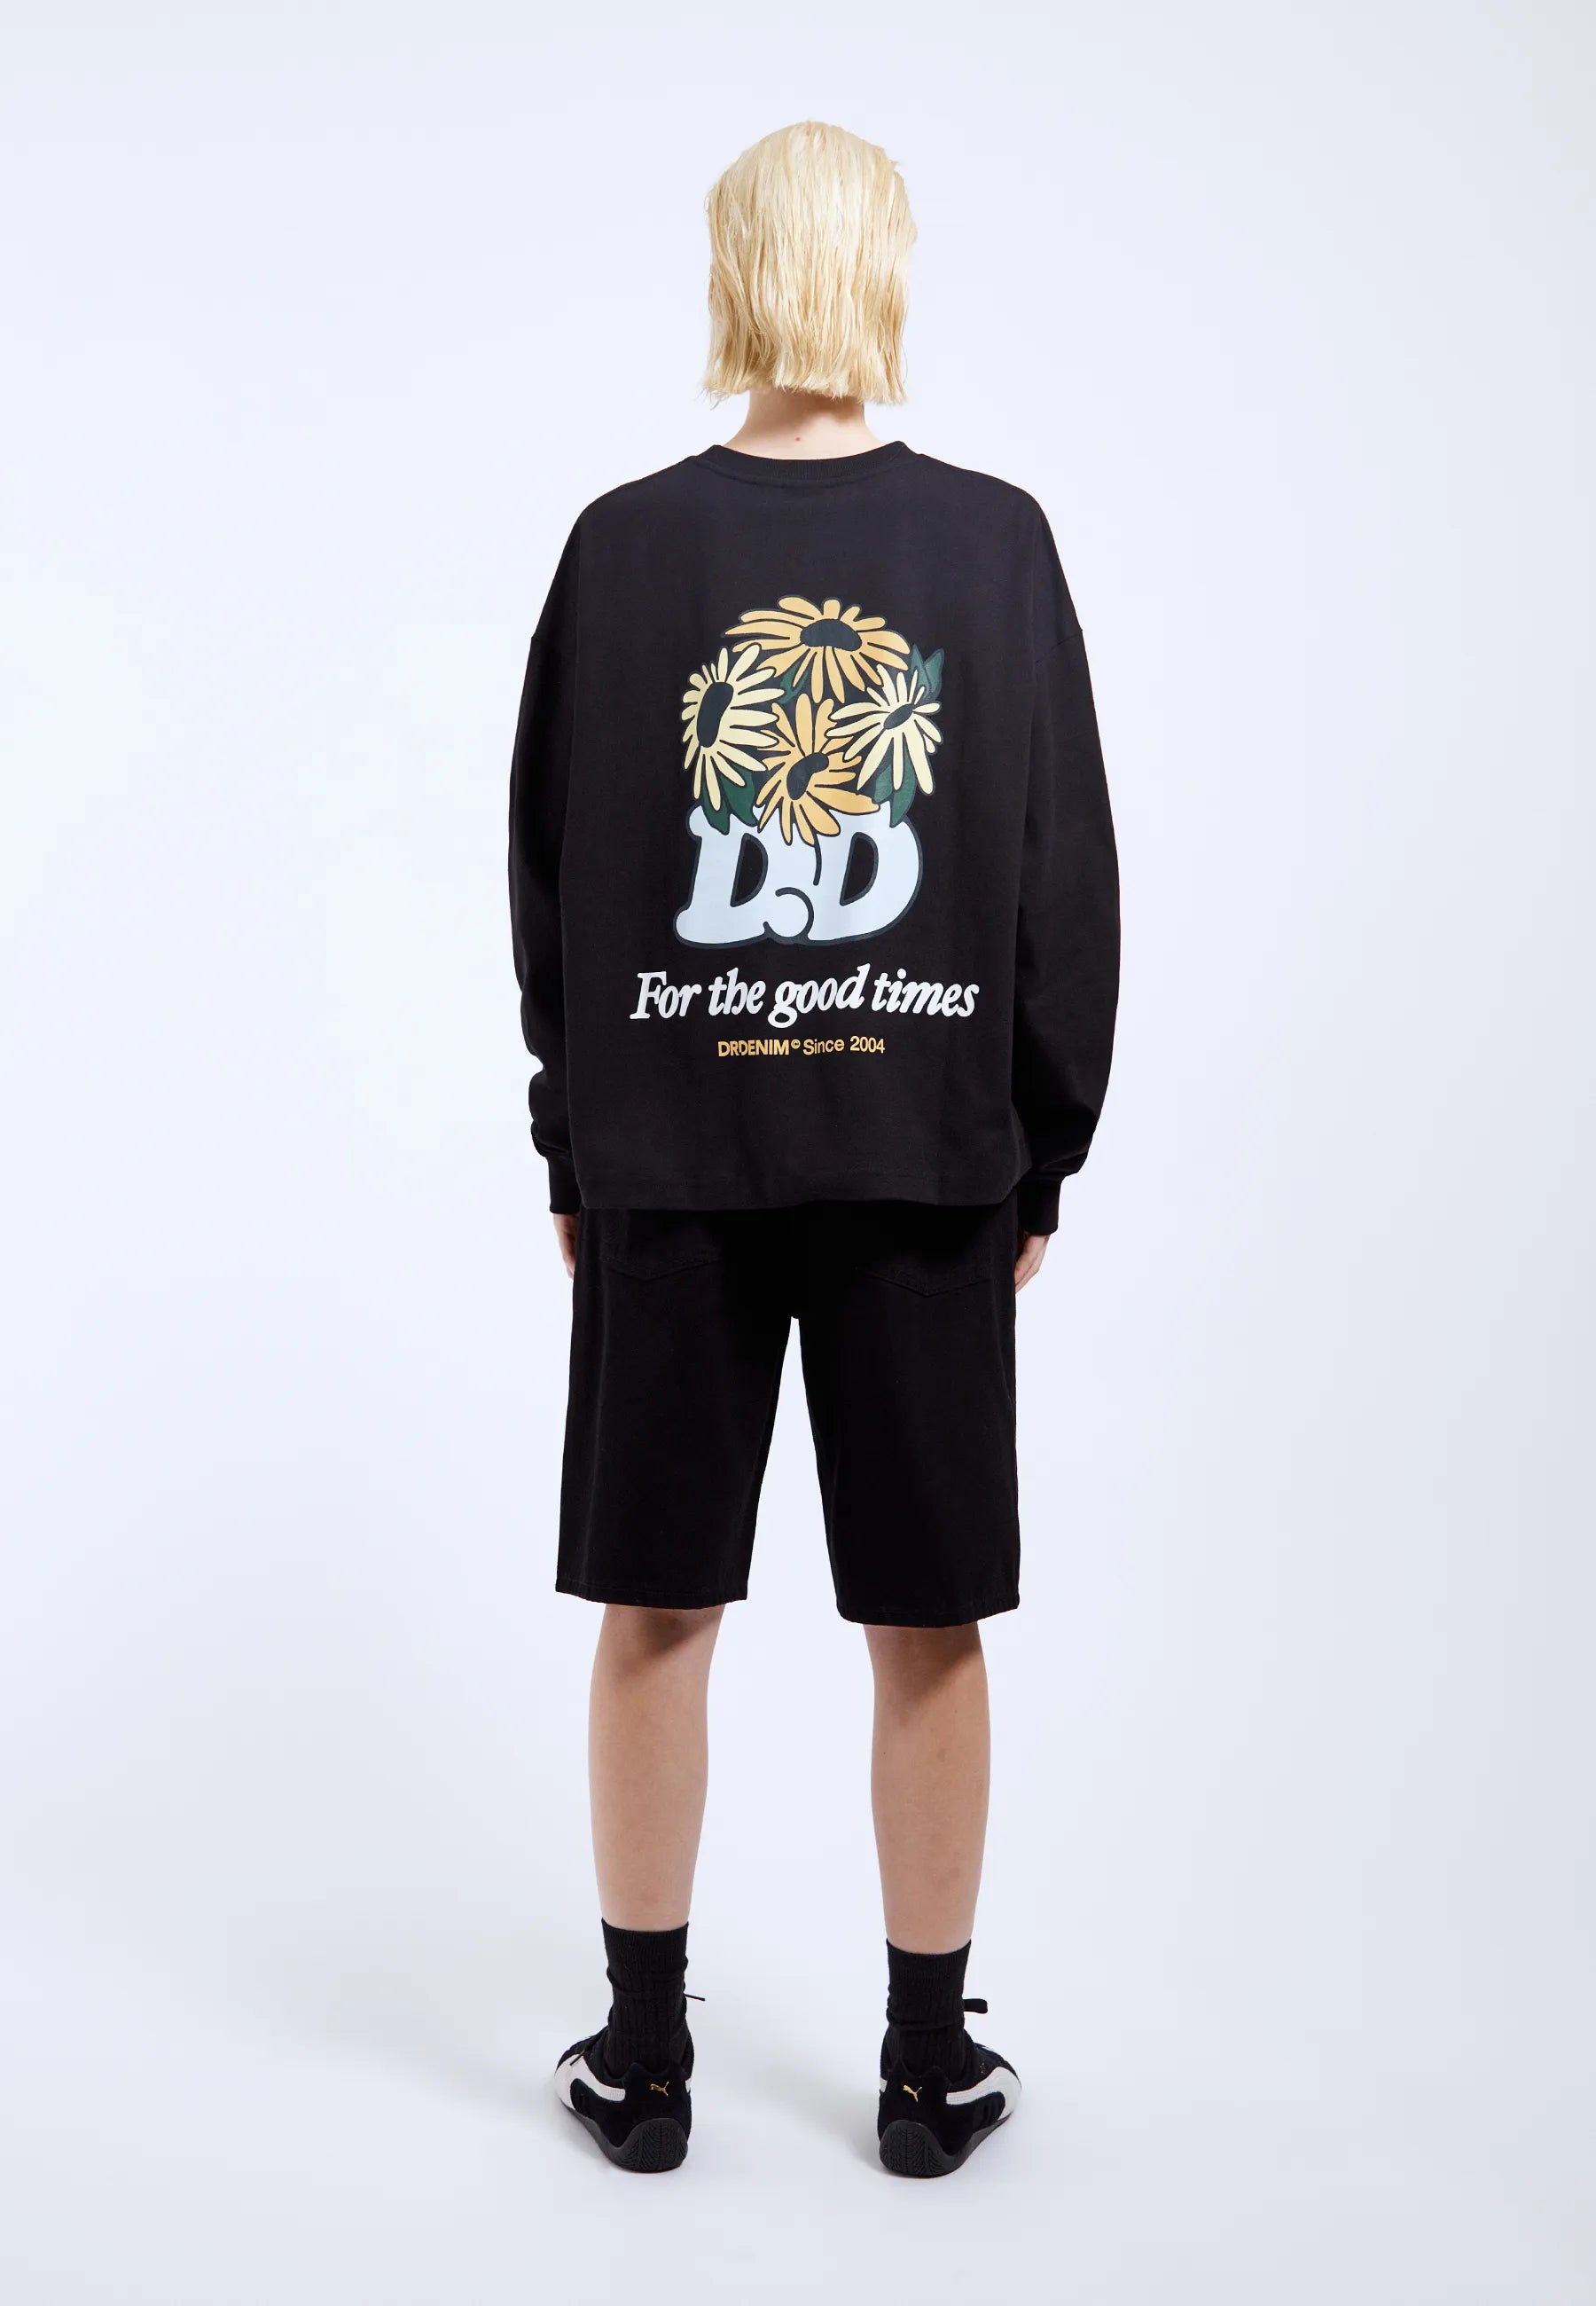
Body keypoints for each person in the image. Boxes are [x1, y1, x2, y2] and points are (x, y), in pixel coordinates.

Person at [509, 121, 1119, 2177]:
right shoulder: (995, 545)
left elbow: (555, 869)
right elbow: (1059, 876)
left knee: (655, 1605)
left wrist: (579, 1137)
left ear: (732, 273)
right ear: (886, 271)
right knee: (924, 1620)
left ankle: (643, 2056)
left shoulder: (622, 549)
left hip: (674, 1150)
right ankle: (928, 2067)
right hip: (926, 1152)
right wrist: (1037, 1149)